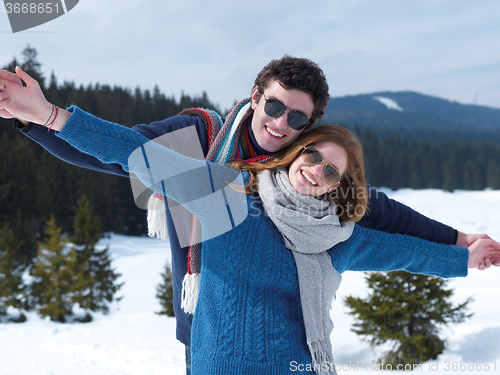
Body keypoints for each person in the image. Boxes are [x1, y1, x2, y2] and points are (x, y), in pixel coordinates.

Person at [0, 59, 498, 372]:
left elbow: (384, 225)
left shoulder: (325, 213)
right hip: (208, 329)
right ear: (256, 95)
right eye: (275, 106)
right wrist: (42, 116)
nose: (281, 123)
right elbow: (126, 153)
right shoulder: (207, 157)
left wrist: (459, 245)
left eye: (297, 119)